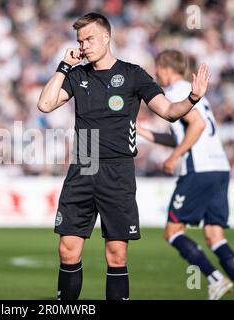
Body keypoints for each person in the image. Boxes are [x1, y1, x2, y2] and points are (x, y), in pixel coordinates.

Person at [37, 12, 211, 300]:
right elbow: (45, 105)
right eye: (80, 40)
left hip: (117, 170)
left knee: (116, 255)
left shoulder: (133, 74)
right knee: (68, 250)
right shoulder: (77, 74)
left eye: (90, 38)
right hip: (83, 165)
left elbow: (168, 112)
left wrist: (193, 98)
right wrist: (63, 66)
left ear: (107, 37)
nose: (84, 46)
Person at [136, 49, 234, 300]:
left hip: (198, 169)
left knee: (173, 231)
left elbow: (197, 125)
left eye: (158, 68)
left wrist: (175, 156)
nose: (156, 74)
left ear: (166, 68)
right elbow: (187, 132)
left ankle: (215, 279)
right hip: (219, 168)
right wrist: (146, 133)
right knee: (214, 236)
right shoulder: (191, 93)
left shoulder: (175, 91)